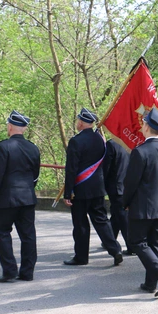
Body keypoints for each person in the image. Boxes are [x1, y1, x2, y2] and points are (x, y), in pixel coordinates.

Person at [123, 107, 158, 296]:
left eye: (144, 122)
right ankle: (151, 283)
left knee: (136, 241)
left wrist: (125, 202)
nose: (142, 125)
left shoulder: (140, 152)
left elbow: (131, 182)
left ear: (147, 127)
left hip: (142, 205)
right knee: (155, 243)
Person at [0, 111, 40, 282]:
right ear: (23, 129)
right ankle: (27, 272)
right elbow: (35, 176)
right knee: (28, 235)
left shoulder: (2, 147)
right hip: (27, 198)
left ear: (9, 127)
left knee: (1, 232)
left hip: (6, 199)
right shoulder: (33, 148)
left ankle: (9, 271)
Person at [62, 108, 123, 267]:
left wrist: (68, 192)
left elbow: (71, 169)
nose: (77, 123)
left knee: (81, 224)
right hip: (97, 188)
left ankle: (81, 257)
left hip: (80, 189)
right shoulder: (100, 139)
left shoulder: (76, 141)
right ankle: (115, 250)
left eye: (78, 121)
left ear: (81, 122)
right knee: (102, 221)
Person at [103, 137, 132, 254]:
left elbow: (106, 167)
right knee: (116, 214)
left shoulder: (111, 144)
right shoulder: (129, 142)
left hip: (116, 185)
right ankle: (110, 240)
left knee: (122, 215)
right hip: (127, 184)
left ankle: (131, 245)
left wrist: (102, 184)